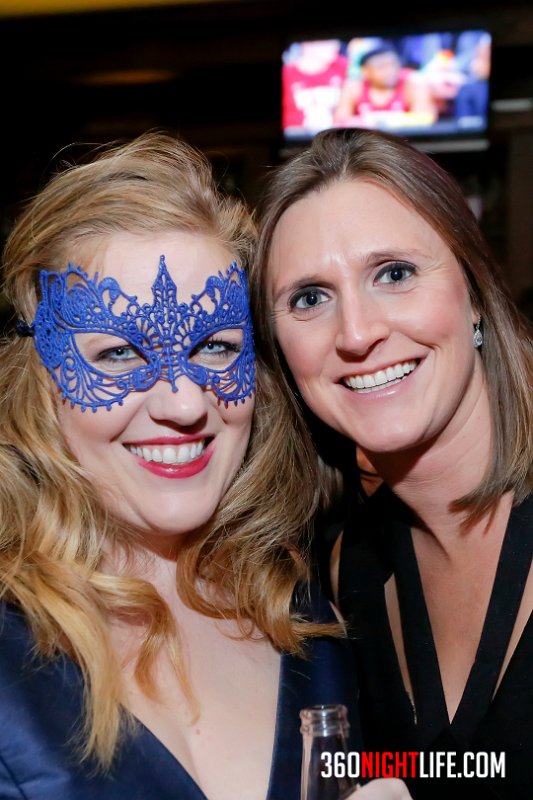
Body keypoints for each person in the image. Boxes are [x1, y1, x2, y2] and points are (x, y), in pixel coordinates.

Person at [0, 130, 413, 800]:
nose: (184, 403)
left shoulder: (311, 613)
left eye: (215, 347)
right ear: (40, 376)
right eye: (117, 355)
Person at [250, 127, 533, 799]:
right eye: (309, 298)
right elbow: (452, 772)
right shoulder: (348, 569)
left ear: (473, 294)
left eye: (394, 274)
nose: (355, 333)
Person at [333, 43, 437, 129]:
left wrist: (381, 120)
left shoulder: (413, 82)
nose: (390, 71)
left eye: (393, 65)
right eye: (381, 67)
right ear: (365, 71)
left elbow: (425, 118)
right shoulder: (354, 86)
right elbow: (340, 122)